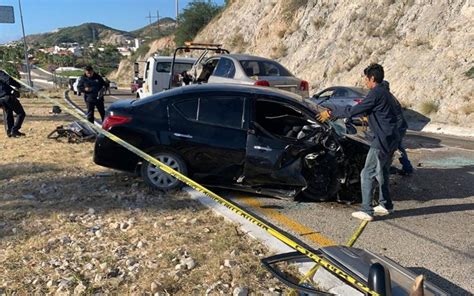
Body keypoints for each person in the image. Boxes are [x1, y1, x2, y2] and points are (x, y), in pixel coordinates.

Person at [317, 63, 402, 221]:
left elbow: (354, 110)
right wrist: (368, 116)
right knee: (382, 172)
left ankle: (367, 210)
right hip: (392, 138)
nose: (364, 81)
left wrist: (331, 112)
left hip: (382, 140)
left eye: (366, 78)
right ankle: (385, 205)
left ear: (372, 78)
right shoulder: (385, 92)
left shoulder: (375, 93)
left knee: (367, 173)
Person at [381, 80, 414, 176]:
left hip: (398, 127)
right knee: (398, 147)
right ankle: (407, 168)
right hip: (400, 126)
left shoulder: (387, 99)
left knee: (395, 147)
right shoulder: (390, 97)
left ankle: (405, 168)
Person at [0, 69, 26, 137]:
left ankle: (10, 131)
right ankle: (14, 130)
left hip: (1, 99)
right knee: (21, 113)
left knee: (9, 113)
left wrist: (14, 90)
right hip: (7, 97)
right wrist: (18, 85)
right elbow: (8, 80)